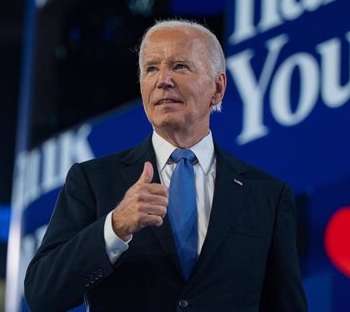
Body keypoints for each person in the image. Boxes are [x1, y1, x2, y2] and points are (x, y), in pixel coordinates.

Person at [24, 19, 307, 312]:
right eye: (151, 69)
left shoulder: (267, 195)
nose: (163, 80)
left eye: (180, 66)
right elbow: (42, 294)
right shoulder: (93, 180)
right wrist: (115, 227)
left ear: (218, 88)